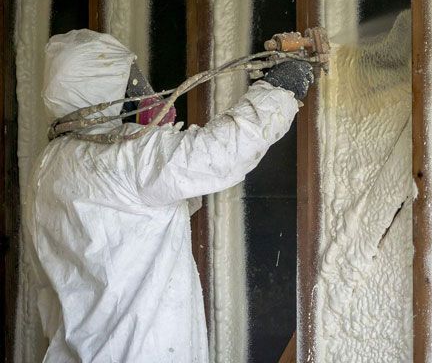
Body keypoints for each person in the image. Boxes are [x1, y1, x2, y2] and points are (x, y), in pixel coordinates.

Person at [27, 29, 313, 362]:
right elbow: (218, 154)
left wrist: (155, 134)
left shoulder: (47, 166)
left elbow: (148, 209)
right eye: (127, 82)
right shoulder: (127, 156)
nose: (137, 92)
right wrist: (280, 89)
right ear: (101, 86)